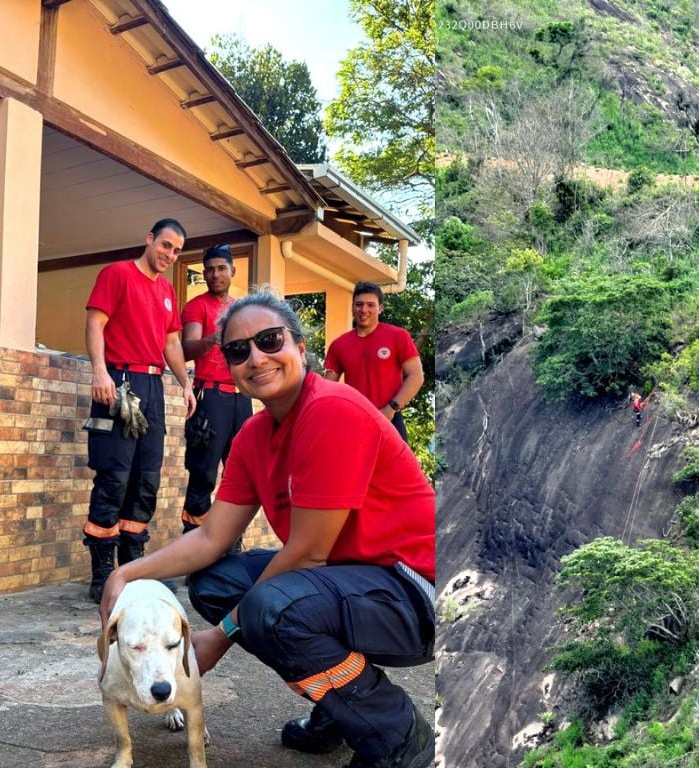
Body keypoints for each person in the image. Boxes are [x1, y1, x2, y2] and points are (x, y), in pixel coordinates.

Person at [99, 292, 436, 768]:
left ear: (300, 347)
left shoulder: (332, 409)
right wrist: (126, 575)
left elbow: (306, 554)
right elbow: (210, 538)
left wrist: (222, 633)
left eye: (270, 340)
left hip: (417, 593)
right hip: (358, 584)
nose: (256, 357)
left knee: (273, 609)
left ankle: (398, 733)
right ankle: (342, 708)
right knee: (216, 582)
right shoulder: (254, 437)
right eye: (238, 350)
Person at [82, 218, 196, 602]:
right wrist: (100, 371)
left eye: (177, 250)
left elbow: (172, 344)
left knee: (146, 480)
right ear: (149, 239)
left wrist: (186, 383)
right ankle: (102, 576)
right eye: (165, 245)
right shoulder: (116, 274)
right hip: (119, 382)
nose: (170, 254)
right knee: (113, 478)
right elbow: (95, 323)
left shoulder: (166, 291)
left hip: (152, 388)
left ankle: (133, 570)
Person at [178, 244, 251, 533]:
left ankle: (230, 543)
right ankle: (193, 544)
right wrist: (212, 340)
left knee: (241, 475)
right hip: (210, 396)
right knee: (203, 474)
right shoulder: (196, 306)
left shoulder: (241, 309)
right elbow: (186, 348)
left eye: (221, 268)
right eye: (209, 269)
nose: (215, 274)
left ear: (232, 271)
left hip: (241, 398)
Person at [323, 282, 424, 444]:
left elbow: (416, 376)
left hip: (390, 418)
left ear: (380, 308)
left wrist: (391, 409)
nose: (364, 310)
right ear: (352, 308)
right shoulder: (339, 345)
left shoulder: (398, 336)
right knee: (355, 469)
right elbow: (327, 388)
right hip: (355, 421)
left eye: (371, 305)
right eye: (359, 304)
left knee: (399, 469)